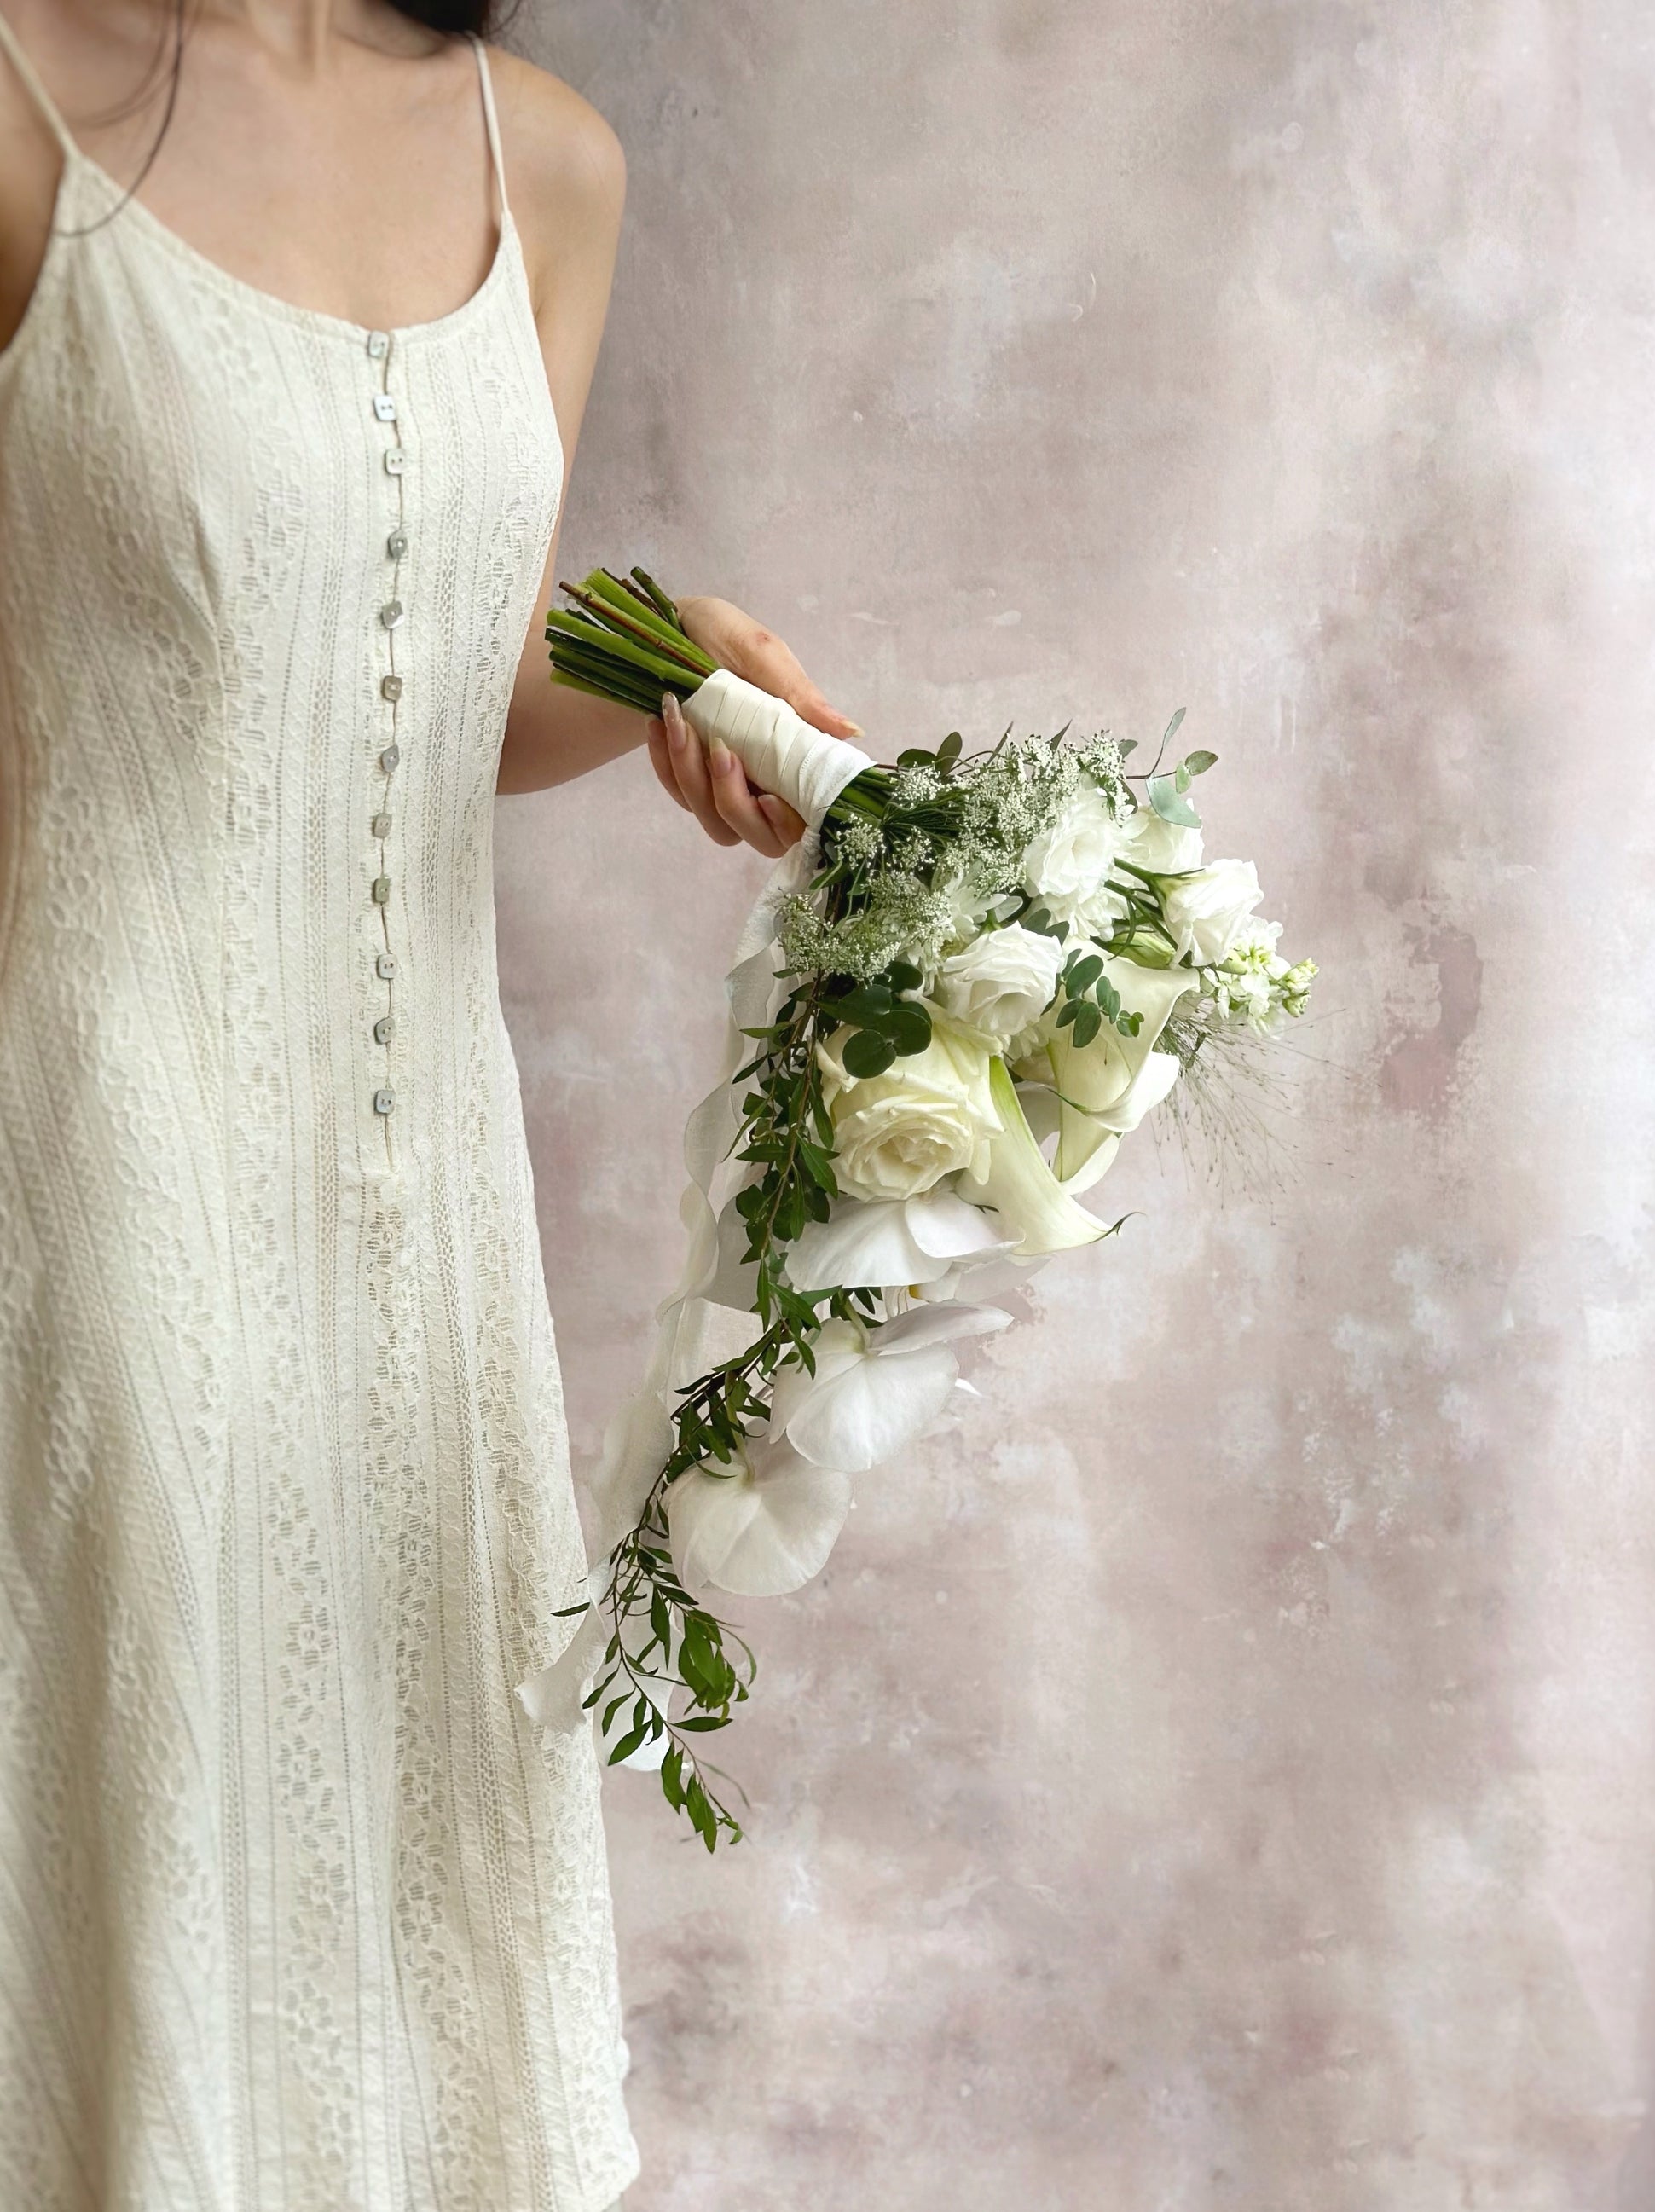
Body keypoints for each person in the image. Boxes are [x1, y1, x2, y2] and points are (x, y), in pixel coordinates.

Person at [0, 3, 859, 2203]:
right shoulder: (22, 116)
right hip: (113, 1194)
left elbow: (445, 665)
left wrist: (681, 664)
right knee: (148, 1942)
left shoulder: (545, 164)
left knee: (412, 1949)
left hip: (426, 1254)